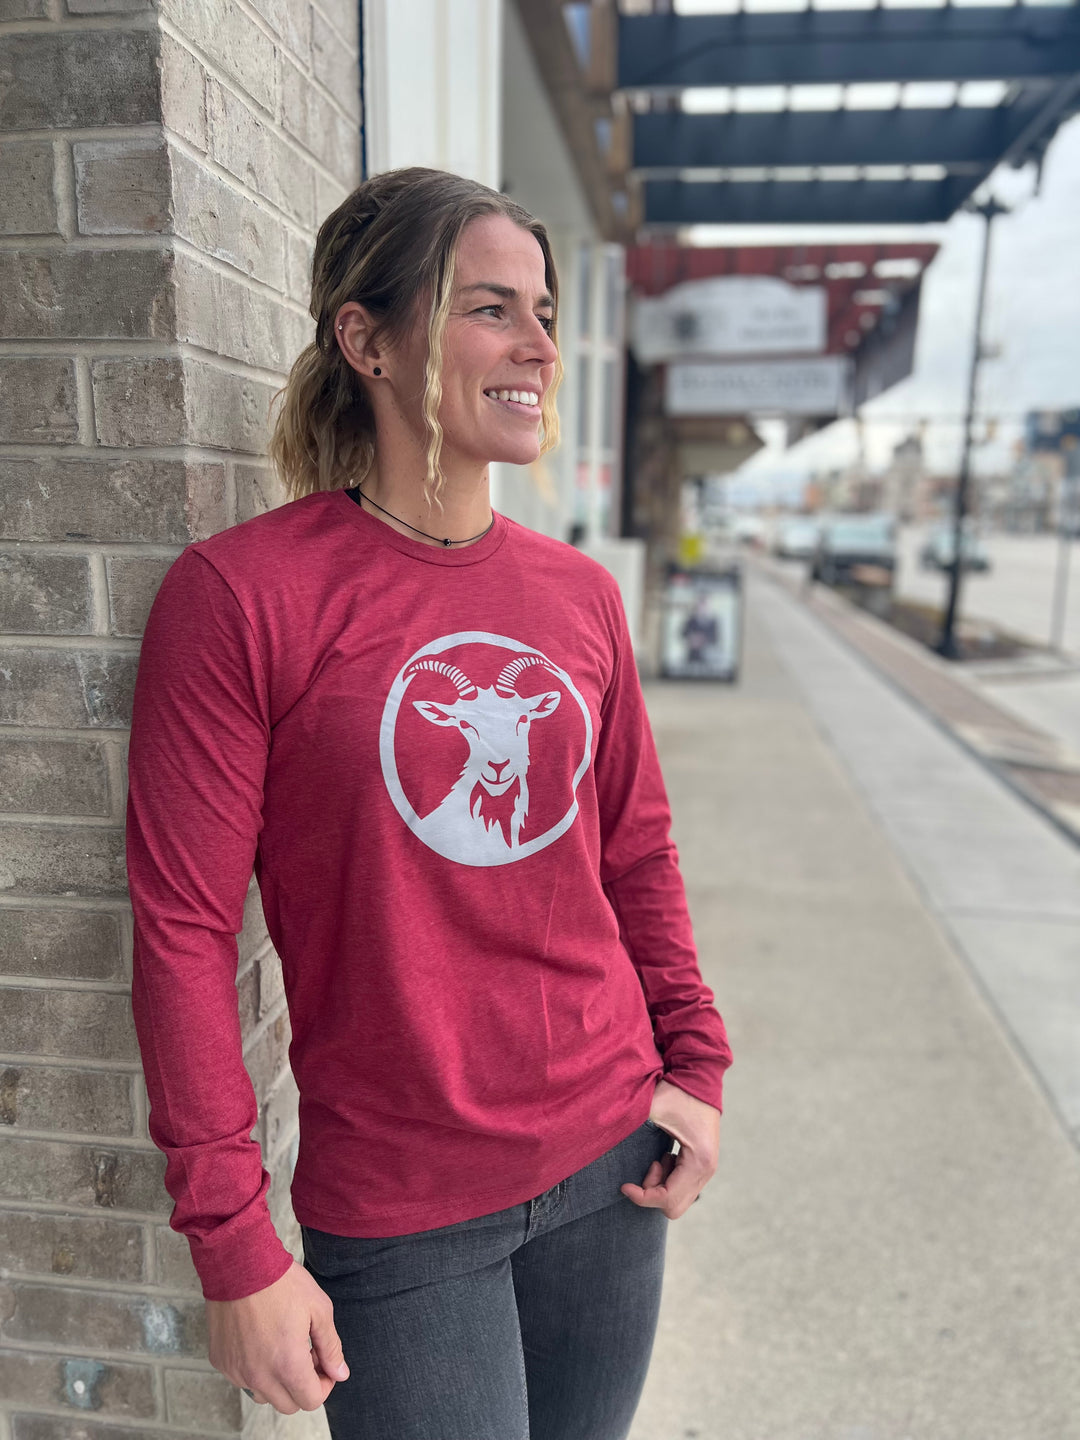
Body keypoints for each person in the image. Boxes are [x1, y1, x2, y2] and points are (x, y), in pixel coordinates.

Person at [126, 167, 732, 1440]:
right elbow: (182, 932)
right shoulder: (243, 597)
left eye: (547, 313)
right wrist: (233, 1239)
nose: (538, 348)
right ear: (370, 340)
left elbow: (634, 852)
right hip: (403, 1210)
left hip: (608, 1159)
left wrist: (695, 1064)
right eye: (490, 308)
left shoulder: (576, 599)